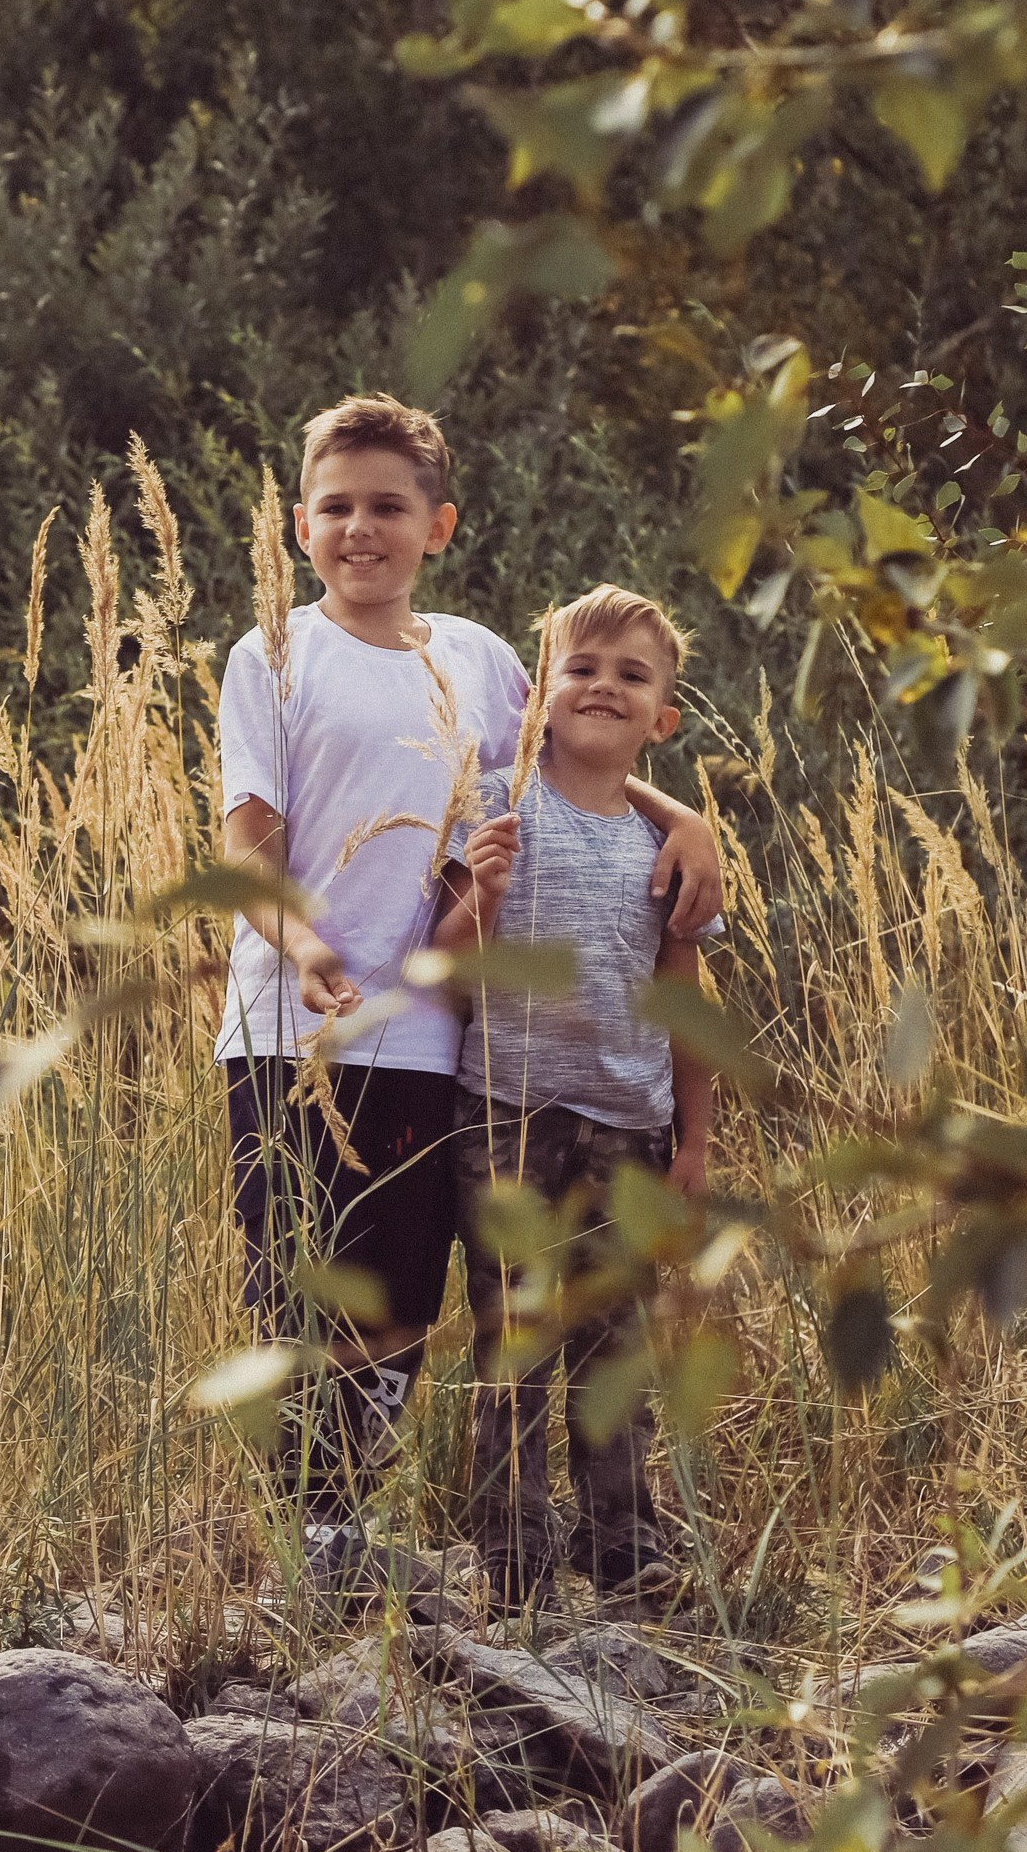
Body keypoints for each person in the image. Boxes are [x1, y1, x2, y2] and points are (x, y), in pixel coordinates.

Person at [214, 397, 724, 1584]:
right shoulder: (273, 653)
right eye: (335, 507)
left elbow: (576, 765)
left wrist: (682, 817)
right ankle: (304, 1530)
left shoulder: (480, 659)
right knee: (293, 1266)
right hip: (289, 1024)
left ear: (436, 527)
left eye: (387, 507)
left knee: (398, 1282)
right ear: (299, 526)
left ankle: (346, 1521)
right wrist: (301, 945)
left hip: (429, 1039)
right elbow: (245, 842)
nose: (360, 528)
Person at [434, 583, 718, 1608]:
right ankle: (512, 1562)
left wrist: (695, 1140)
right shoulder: (496, 806)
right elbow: (444, 964)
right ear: (539, 696)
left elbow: (684, 997)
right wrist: (482, 893)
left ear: (662, 719)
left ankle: (624, 1547)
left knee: (617, 1338)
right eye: (581, 669)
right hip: (506, 1116)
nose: (603, 687)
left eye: (631, 676)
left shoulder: (667, 846)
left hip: (630, 1126)